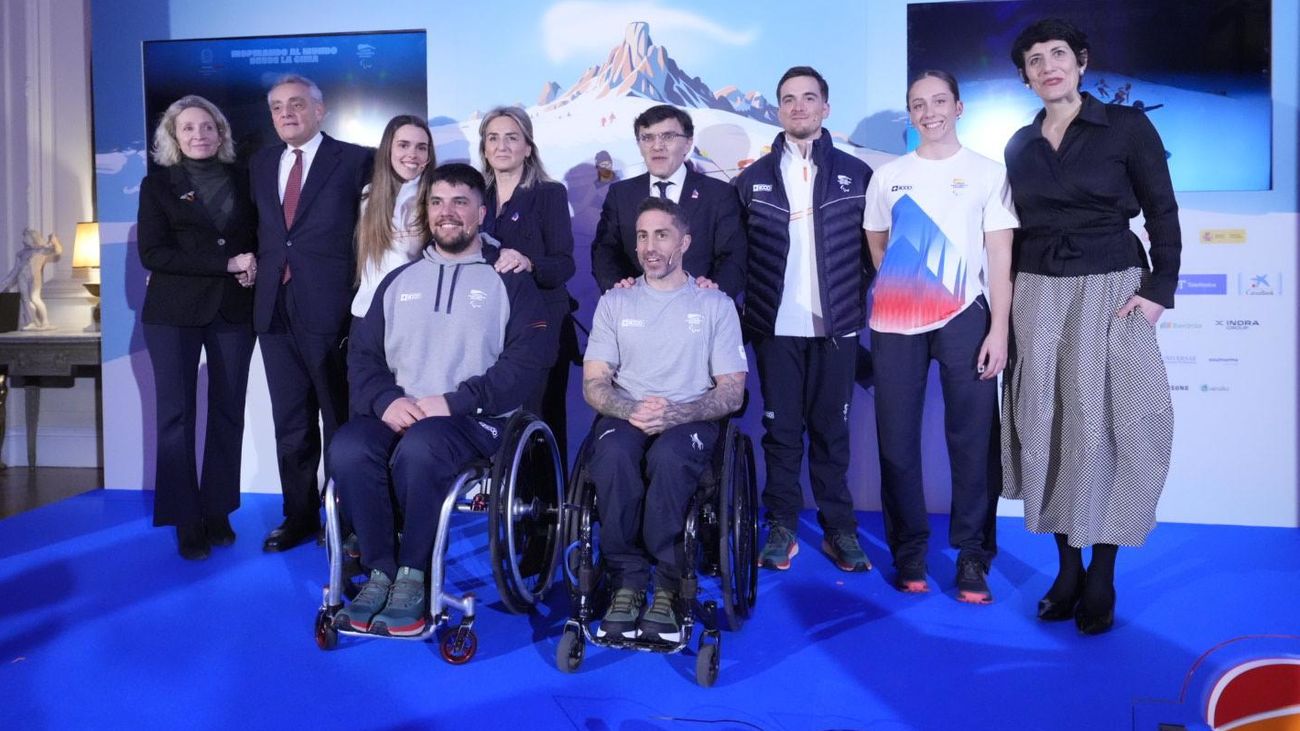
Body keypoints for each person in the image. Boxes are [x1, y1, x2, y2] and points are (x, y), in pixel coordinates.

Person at [1002, 19, 1180, 635]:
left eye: (1058, 55)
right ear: (1025, 77)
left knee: (1111, 423)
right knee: (1048, 423)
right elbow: (1010, 233)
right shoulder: (1018, 146)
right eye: (1034, 60)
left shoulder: (1126, 126)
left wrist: (1161, 287)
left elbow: (1161, 206)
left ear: (1080, 62)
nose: (1047, 66)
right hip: (1038, 290)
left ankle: (1102, 573)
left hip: (1113, 286)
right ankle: (1067, 568)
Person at [327, 164, 556, 636]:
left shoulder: (508, 278)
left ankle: (414, 577)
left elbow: (527, 361)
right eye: (437, 202)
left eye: (459, 202)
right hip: (404, 412)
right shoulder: (399, 281)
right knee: (349, 448)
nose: (447, 212)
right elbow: (363, 358)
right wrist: (387, 400)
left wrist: (455, 401)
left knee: (424, 447)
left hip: (478, 419)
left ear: (480, 212)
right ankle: (380, 573)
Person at [863, 71, 1018, 602]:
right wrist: (903, 285)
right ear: (909, 113)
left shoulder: (987, 173)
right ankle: (910, 551)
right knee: (897, 443)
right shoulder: (889, 175)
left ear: (959, 107)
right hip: (895, 321)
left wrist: (998, 327)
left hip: (965, 316)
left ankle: (973, 555)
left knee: (974, 443)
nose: (928, 112)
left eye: (938, 101)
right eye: (917, 104)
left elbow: (1000, 255)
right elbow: (877, 241)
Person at [582, 197, 747, 643]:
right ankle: (627, 580)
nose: (649, 246)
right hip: (628, 411)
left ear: (685, 241)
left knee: (671, 459)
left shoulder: (715, 305)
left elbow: (732, 390)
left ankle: (670, 587)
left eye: (661, 234)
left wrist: (680, 412)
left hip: (689, 414)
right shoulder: (615, 303)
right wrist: (629, 409)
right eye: (641, 235)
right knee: (613, 453)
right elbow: (595, 383)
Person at [736, 66, 873, 573]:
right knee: (782, 432)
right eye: (789, 99)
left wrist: (856, 302)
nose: (799, 107)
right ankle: (783, 526)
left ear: (826, 107)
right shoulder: (751, 180)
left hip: (837, 329)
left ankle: (840, 530)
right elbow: (736, 257)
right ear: (778, 110)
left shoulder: (858, 175)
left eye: (809, 98)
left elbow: (875, 252)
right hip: (775, 329)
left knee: (832, 435)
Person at [249, 74, 374, 552]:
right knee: (291, 424)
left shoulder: (357, 159)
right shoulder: (260, 164)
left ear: (320, 111)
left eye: (296, 104)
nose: (286, 113)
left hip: (333, 309)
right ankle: (298, 515)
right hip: (274, 309)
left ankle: (347, 520)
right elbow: (259, 230)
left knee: (339, 423)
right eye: (277, 107)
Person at [136, 95, 258, 560]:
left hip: (233, 310)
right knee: (176, 416)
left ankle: (218, 509)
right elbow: (154, 254)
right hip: (172, 313)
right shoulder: (157, 186)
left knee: (228, 412)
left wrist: (253, 267)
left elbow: (258, 240)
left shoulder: (245, 180)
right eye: (187, 128)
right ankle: (186, 518)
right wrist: (226, 263)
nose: (199, 136)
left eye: (207, 127)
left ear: (221, 133)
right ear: (173, 136)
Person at [477, 106, 576, 457]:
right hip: (486, 326)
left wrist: (528, 262)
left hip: (541, 324)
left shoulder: (550, 194)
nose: (501, 146)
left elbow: (564, 265)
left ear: (528, 147)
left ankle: (548, 508)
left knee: (539, 420)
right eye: (493, 138)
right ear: (484, 148)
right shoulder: (474, 197)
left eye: (511, 137)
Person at [591, 104, 746, 298]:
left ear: (688, 143)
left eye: (668, 136)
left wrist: (714, 293)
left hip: (700, 311)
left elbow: (734, 255)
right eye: (647, 138)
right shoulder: (620, 194)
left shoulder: (719, 194)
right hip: (635, 312)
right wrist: (618, 289)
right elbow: (605, 251)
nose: (657, 146)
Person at [351, 115, 434, 317]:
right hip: (368, 314)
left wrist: (414, 185)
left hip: (414, 314)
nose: (412, 154)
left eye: (421, 147)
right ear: (388, 149)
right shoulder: (369, 196)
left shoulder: (436, 199)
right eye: (403, 145)